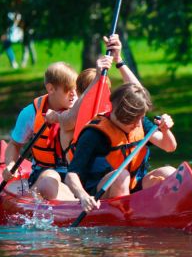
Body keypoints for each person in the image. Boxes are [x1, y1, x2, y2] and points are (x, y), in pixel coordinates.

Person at [65, 83, 177, 213]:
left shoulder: (139, 122)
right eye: (133, 121)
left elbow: (169, 147)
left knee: (169, 172)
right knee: (121, 176)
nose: (137, 124)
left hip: (134, 186)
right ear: (121, 115)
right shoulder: (93, 134)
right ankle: (125, 222)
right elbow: (71, 174)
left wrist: (165, 130)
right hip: (100, 195)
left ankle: (170, 211)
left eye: (140, 118)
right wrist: (83, 197)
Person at [44, 34, 142, 162]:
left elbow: (139, 97)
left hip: (114, 171)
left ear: (77, 92)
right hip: (87, 178)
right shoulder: (69, 117)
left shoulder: (112, 112)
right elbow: (73, 117)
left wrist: (118, 60)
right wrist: (98, 78)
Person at [2, 61, 79, 200]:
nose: (74, 94)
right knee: (50, 177)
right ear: (51, 89)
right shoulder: (29, 113)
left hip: (75, 175)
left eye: (76, 88)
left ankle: (76, 200)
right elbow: (14, 145)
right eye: (68, 89)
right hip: (43, 173)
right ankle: (68, 201)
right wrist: (11, 165)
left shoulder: (80, 110)